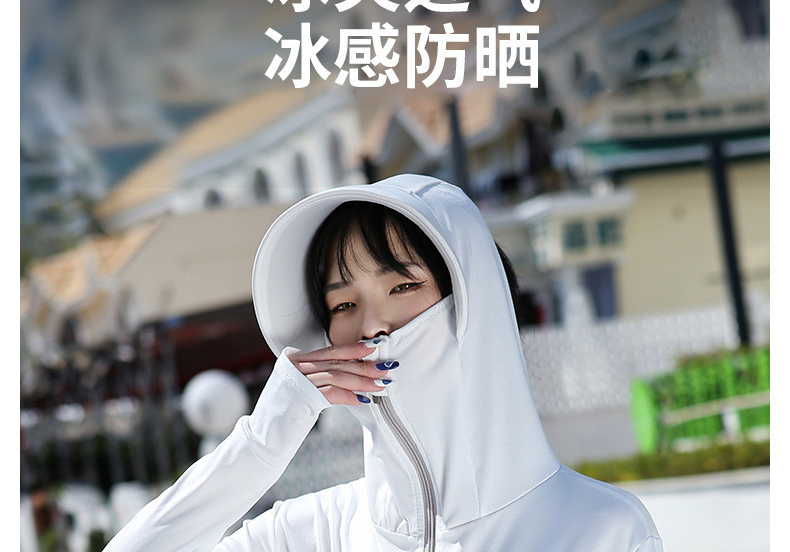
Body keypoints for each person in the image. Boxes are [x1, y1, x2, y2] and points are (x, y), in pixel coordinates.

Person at [98, 182, 665, 552]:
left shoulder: (600, 529)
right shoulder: (318, 533)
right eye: (343, 304)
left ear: (473, 302)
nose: (373, 327)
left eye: (403, 287)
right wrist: (262, 443)